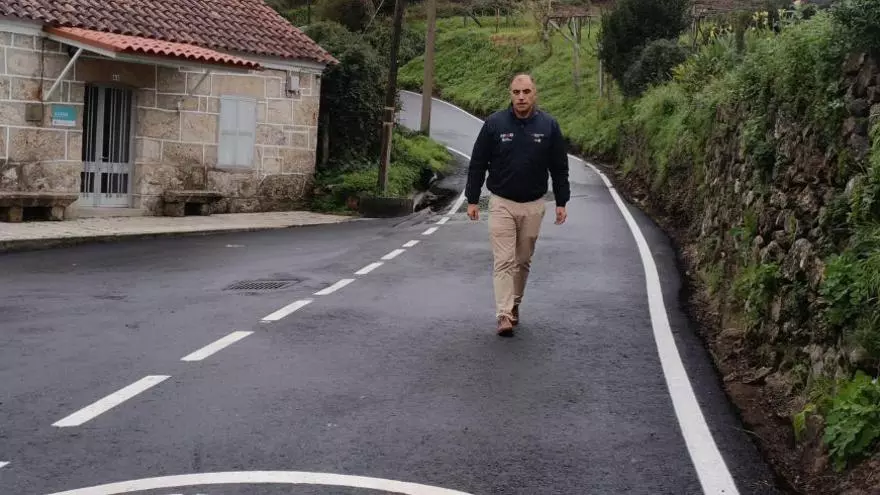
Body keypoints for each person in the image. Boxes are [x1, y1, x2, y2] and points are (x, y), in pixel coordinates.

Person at [464, 73, 570, 337]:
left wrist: (561, 201)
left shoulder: (549, 126)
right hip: (502, 202)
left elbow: (559, 167)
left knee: (522, 261)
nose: (521, 97)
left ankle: (514, 304)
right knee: (504, 260)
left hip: (533, 204)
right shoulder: (495, 124)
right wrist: (472, 199)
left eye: (526, 92)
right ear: (510, 94)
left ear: (535, 93)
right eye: (516, 92)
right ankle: (503, 313)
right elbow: (478, 162)